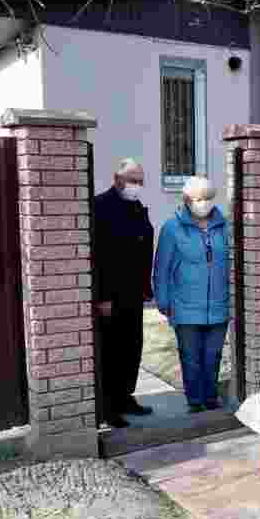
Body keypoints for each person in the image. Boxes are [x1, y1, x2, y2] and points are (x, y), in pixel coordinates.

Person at [153, 177, 230, 414]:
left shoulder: (224, 225)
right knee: (191, 358)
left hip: (218, 305)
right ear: (187, 200)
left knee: (213, 355)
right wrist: (164, 302)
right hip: (185, 306)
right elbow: (162, 269)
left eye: (208, 198)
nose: (204, 203)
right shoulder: (172, 228)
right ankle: (195, 400)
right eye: (199, 199)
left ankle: (210, 397)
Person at [93, 158, 155, 429]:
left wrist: (145, 287)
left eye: (141, 181)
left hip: (133, 292)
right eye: (133, 180)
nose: (138, 185)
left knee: (132, 347)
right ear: (117, 179)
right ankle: (109, 406)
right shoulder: (100, 206)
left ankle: (125, 396)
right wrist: (102, 296)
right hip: (111, 294)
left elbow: (142, 246)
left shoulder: (136, 206)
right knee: (112, 350)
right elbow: (99, 254)